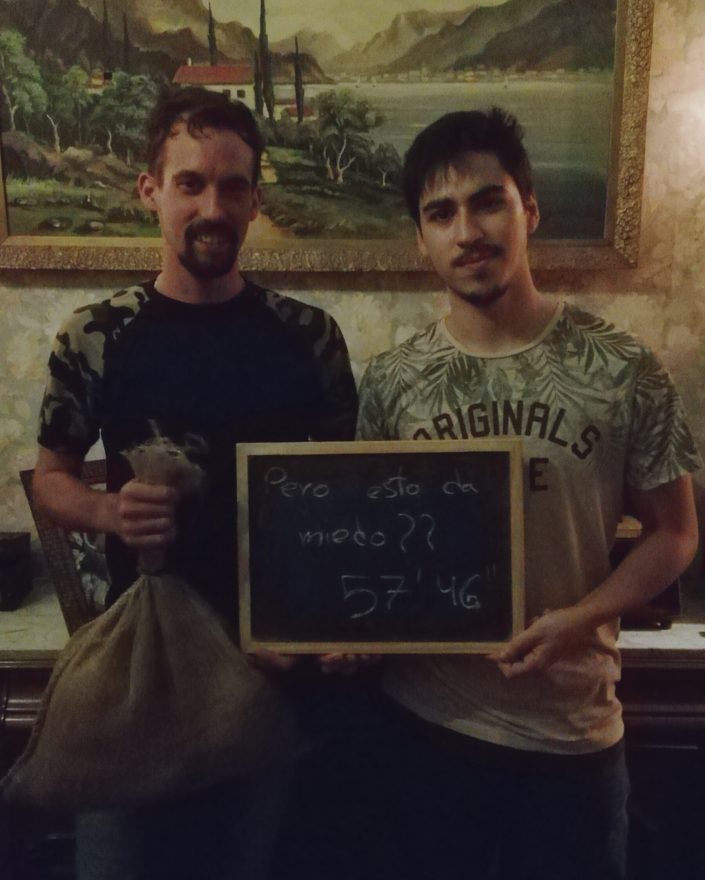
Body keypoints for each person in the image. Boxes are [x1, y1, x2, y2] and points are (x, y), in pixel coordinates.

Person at [356, 108, 701, 880]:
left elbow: (674, 533)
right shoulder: (391, 381)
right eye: (440, 213)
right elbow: (377, 543)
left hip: (570, 735)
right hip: (424, 728)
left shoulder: (621, 368)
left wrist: (579, 619)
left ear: (529, 210)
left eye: (487, 203)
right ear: (420, 238)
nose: (466, 231)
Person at [31, 86, 358, 880]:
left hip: (273, 681)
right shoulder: (95, 335)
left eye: (232, 186)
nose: (212, 207)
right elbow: (50, 479)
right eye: (190, 183)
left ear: (254, 201)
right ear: (149, 190)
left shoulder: (310, 338)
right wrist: (109, 511)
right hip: (140, 679)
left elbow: (348, 502)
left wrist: (326, 628)